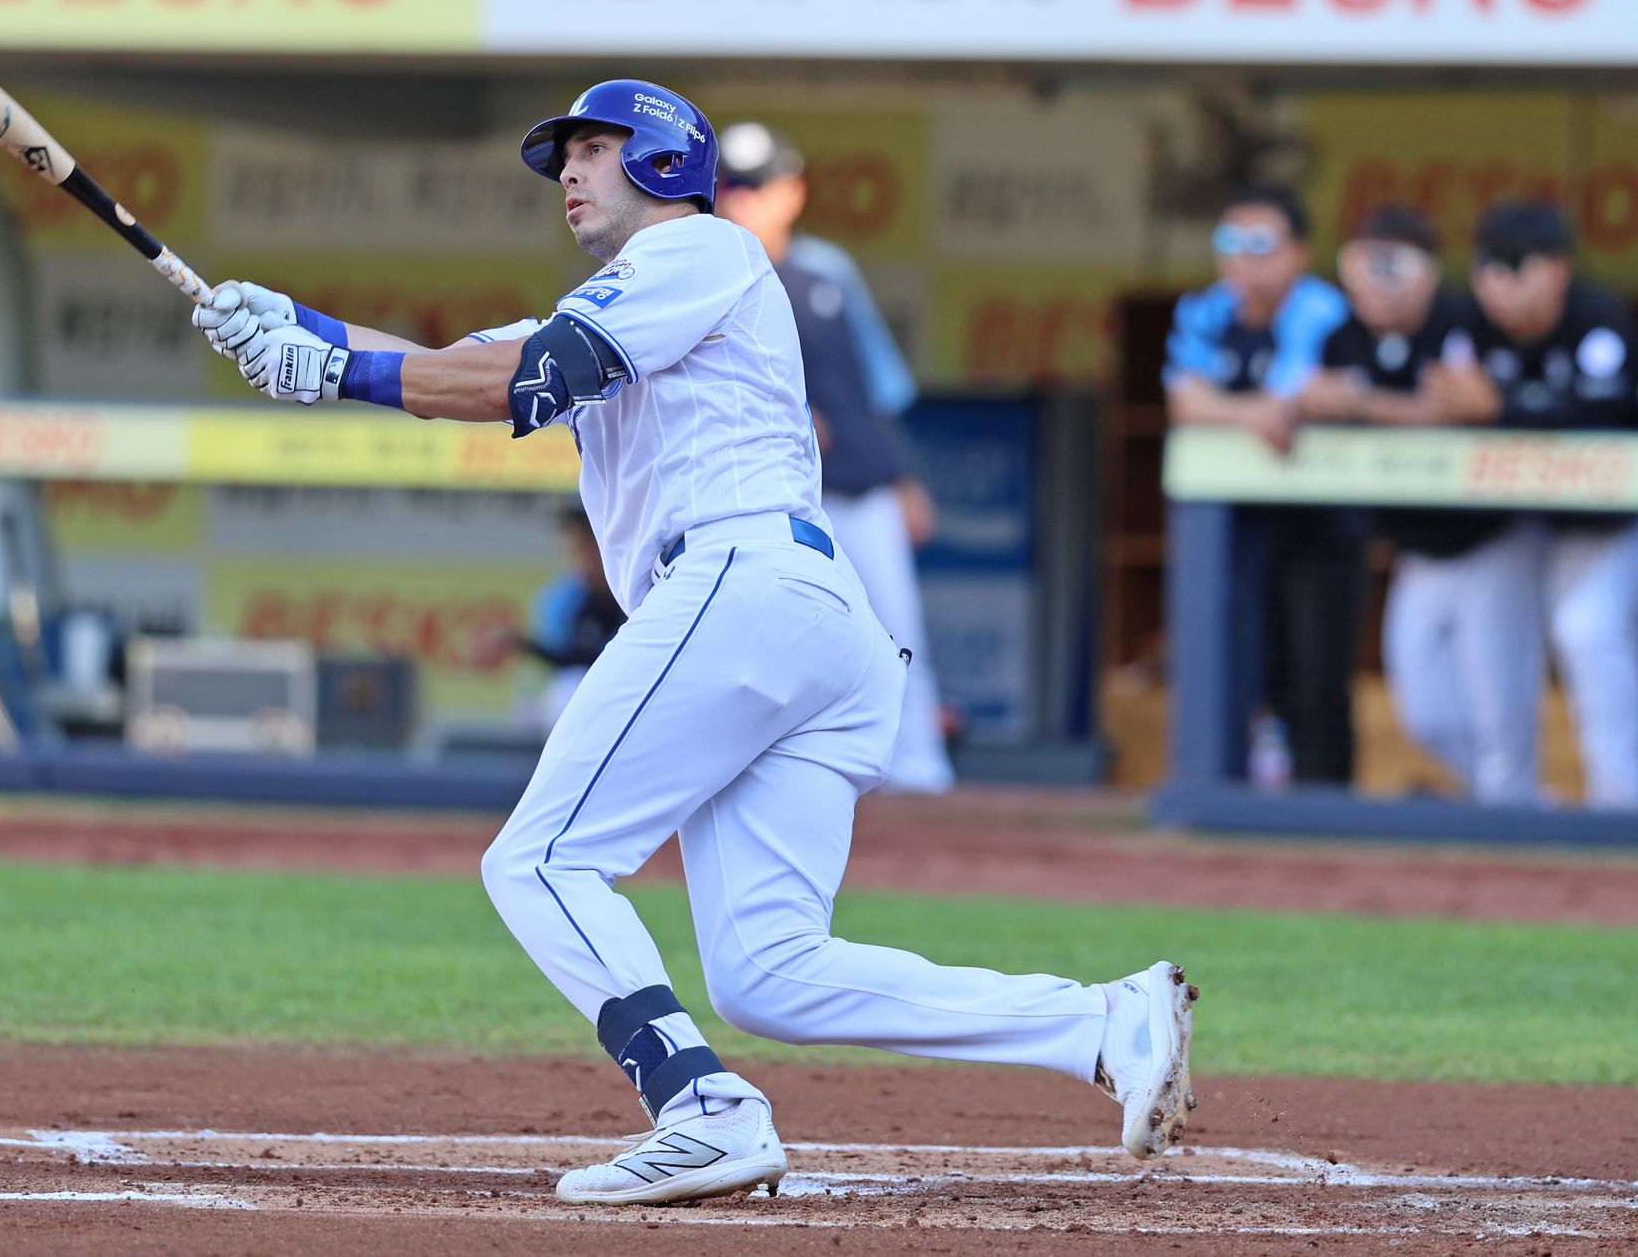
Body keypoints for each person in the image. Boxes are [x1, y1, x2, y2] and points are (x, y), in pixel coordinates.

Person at [191, 80, 1196, 1205]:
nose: (567, 173)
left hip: (739, 587)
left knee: (538, 859)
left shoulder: (699, 252)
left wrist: (331, 367)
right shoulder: (622, 297)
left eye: (592, 149)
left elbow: (510, 383)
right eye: (561, 157)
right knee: (770, 972)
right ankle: (1099, 1023)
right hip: (800, 624)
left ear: (664, 161)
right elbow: (448, 369)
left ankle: (702, 1109)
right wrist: (291, 329)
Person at [713, 121, 955, 792]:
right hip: (777, 502)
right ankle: (775, 775)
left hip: (859, 485)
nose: (745, 200)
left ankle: (918, 772)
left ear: (792, 191)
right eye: (731, 187)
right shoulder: (705, 272)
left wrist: (904, 477)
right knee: (761, 653)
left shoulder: (827, 271)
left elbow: (876, 385)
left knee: (898, 634)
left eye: (759, 186)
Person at [1296, 205, 1540, 803]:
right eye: (1363, 265)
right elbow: (1322, 414)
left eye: (1394, 266)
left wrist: (1360, 402)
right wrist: (1353, 403)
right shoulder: (1341, 337)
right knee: (1424, 712)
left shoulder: (1466, 321)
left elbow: (1461, 411)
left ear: (1429, 272)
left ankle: (1518, 831)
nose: (1377, 283)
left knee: (1500, 712)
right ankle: (1509, 802)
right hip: (1416, 551)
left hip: (1493, 539)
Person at [1436, 202, 1638, 809]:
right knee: (1468, 653)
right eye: (1487, 269)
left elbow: (1603, 420)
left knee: (1586, 630)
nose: (1497, 285)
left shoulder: (1597, 318)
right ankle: (1512, 800)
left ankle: (1620, 804)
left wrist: (1501, 410)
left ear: (1556, 269)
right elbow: (1444, 405)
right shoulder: (1469, 323)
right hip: (1519, 525)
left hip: (1611, 522)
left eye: (1514, 269)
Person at [1164, 184, 1356, 784]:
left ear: (1298, 252)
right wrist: (1250, 414)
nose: (1243, 258)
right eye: (1230, 242)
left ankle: (1327, 805)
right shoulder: (1205, 309)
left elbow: (1293, 398)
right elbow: (1184, 400)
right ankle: (1232, 798)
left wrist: (1233, 407)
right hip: (1236, 527)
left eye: (1261, 244)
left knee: (1316, 673)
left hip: (1322, 526)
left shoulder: (1325, 309)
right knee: (1238, 664)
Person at [518, 503, 627, 733]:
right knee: (563, 692)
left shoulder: (646, 592)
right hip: (585, 719)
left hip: (631, 707)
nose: (583, 553)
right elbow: (569, 661)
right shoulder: (566, 598)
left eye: (590, 542)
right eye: (579, 544)